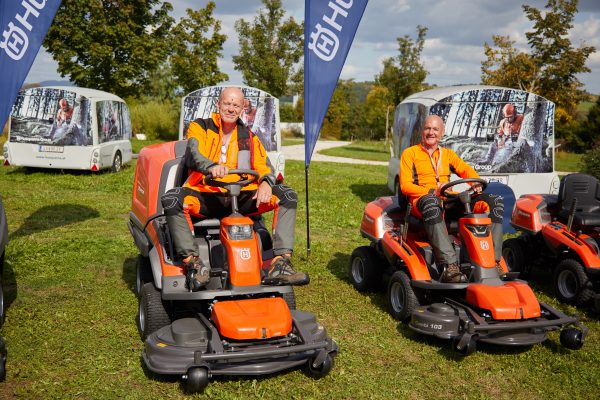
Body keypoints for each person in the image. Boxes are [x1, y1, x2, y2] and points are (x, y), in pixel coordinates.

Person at [161, 86, 308, 291]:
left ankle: (280, 264)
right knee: (172, 200)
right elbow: (194, 154)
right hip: (207, 195)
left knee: (287, 196)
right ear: (218, 104)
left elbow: (265, 166)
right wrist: (210, 167)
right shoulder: (200, 127)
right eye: (227, 103)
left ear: (242, 109)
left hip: (242, 196)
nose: (231, 108)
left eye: (236, 105)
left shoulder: (249, 136)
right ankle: (193, 263)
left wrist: (266, 182)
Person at [399, 115, 505, 283]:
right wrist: (432, 191)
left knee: (494, 202)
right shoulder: (410, 153)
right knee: (432, 203)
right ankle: (450, 267)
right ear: (422, 131)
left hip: (448, 199)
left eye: (435, 129)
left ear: (442, 133)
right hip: (422, 200)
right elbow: (405, 186)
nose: (431, 132)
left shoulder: (447, 154)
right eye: (427, 128)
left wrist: (475, 182)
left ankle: (494, 260)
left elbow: (465, 170)